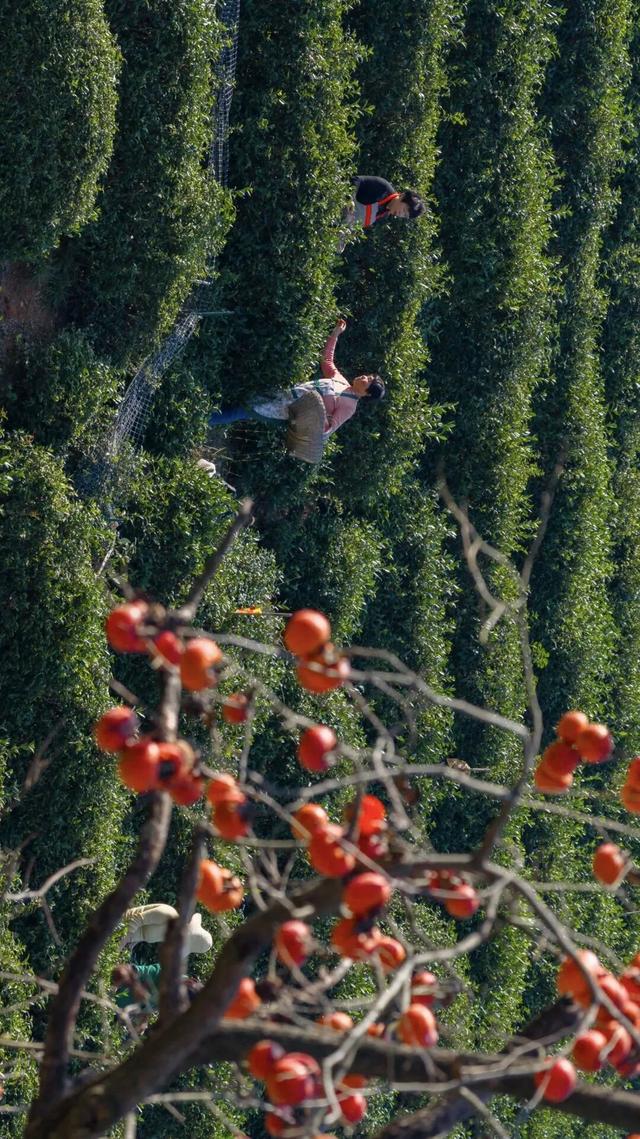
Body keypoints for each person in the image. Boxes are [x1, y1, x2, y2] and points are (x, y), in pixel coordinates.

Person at [209, 319, 385, 438]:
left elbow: (326, 430)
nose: (364, 376)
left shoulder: (349, 406)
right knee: (242, 401)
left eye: (368, 381)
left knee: (242, 410)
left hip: (284, 409)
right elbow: (327, 361)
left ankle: (201, 418)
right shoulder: (341, 381)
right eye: (368, 376)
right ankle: (203, 412)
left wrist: (318, 411)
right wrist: (335, 334)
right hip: (283, 392)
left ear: (367, 394)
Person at [122, 903, 212, 955]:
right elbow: (136, 919)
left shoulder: (169, 936)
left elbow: (142, 934)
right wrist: (121, 944)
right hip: (118, 924)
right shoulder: (168, 914)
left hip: (120, 938)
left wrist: (129, 946)